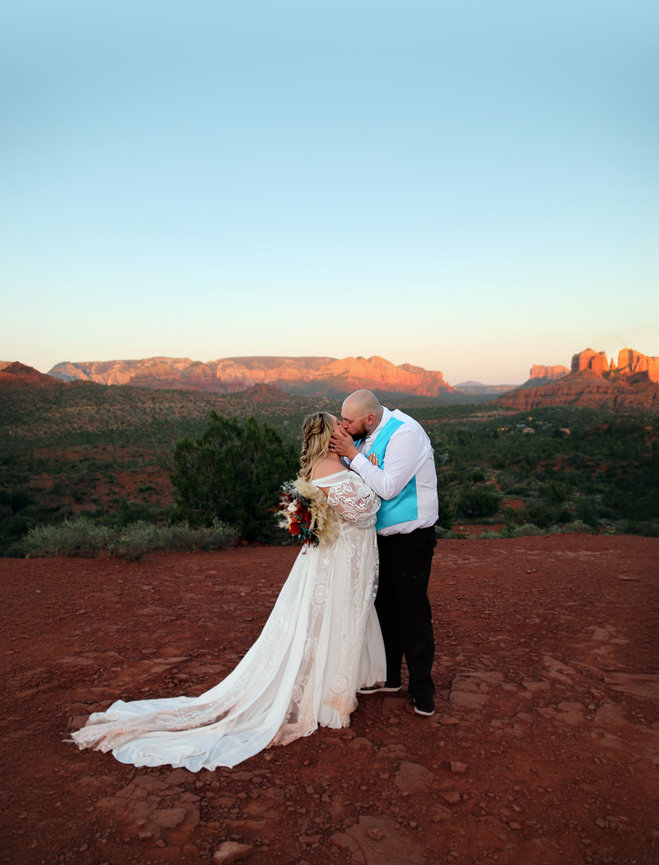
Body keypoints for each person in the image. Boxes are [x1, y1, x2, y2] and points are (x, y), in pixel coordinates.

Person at [70, 412, 385, 770]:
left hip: (342, 557)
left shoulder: (332, 466)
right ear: (330, 434)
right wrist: (369, 476)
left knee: (333, 618)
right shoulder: (331, 469)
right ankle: (324, 695)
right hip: (340, 559)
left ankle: (331, 682)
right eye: (339, 424)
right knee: (331, 619)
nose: (346, 427)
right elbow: (366, 511)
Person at [330, 389, 439, 717]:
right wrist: (354, 459)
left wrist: (353, 454)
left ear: (370, 419)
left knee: (412, 612)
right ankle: (389, 677)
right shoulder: (363, 435)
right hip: (375, 540)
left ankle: (422, 689)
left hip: (410, 539)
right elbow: (361, 478)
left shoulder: (405, 433)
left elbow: (389, 487)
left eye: (348, 421)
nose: (344, 426)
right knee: (382, 610)